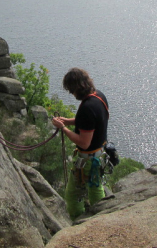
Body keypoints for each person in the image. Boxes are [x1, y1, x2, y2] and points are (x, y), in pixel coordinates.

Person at [52, 68, 109, 219]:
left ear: (76, 88)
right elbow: (89, 124)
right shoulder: (99, 96)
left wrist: (63, 128)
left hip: (88, 159)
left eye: (71, 90)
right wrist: (67, 121)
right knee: (96, 190)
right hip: (99, 155)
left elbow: (84, 143)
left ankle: (80, 223)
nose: (72, 94)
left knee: (73, 196)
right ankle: (104, 218)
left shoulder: (87, 108)